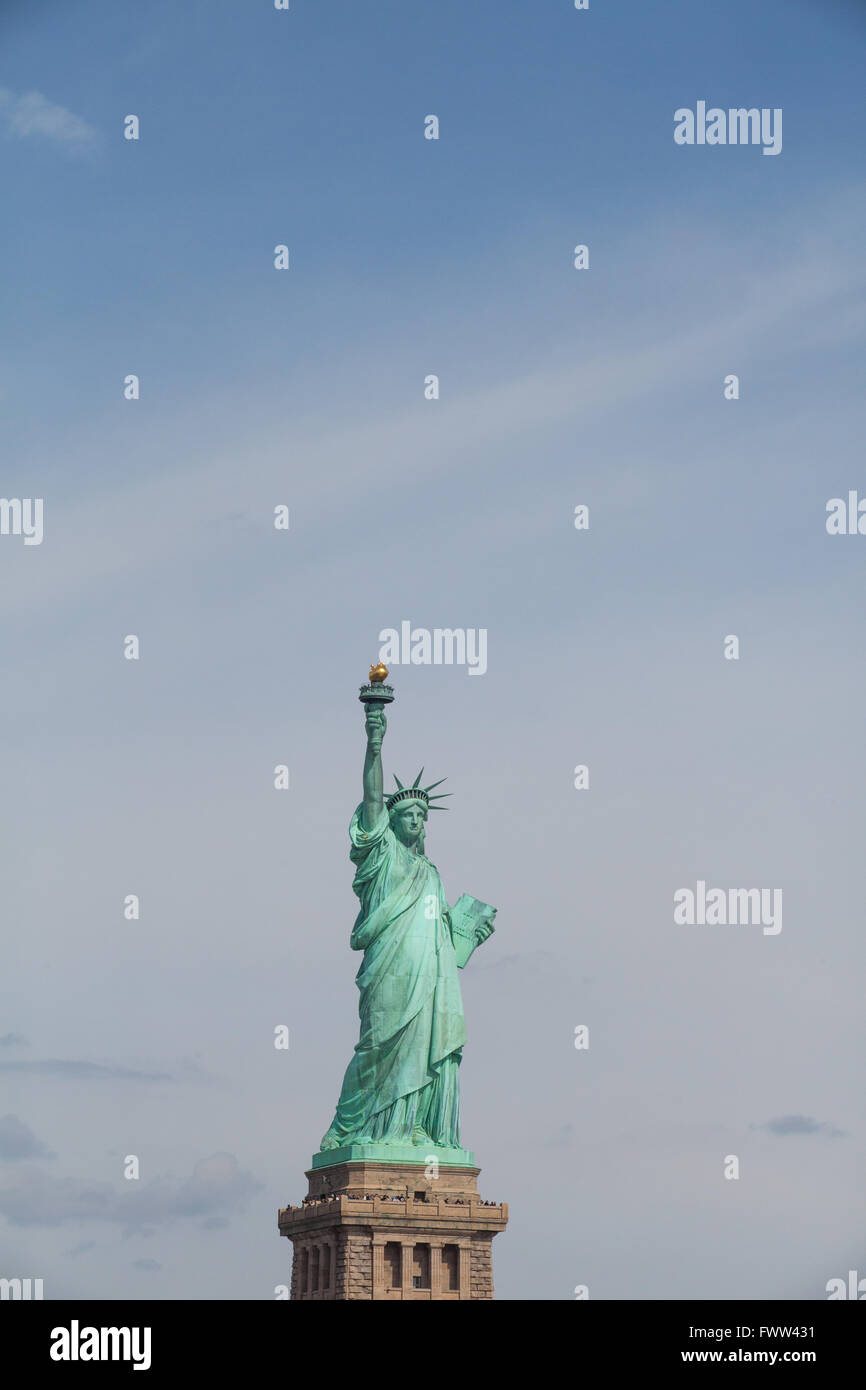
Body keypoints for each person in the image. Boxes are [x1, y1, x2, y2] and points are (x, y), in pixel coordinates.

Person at [319, 703, 494, 1152]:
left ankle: (412, 1125)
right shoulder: (383, 858)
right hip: (389, 970)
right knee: (377, 1046)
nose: (416, 821)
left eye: (421, 816)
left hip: (429, 977)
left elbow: (445, 947)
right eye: (407, 816)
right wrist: (374, 742)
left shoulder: (431, 873)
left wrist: (469, 935)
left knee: (423, 1043)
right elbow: (373, 799)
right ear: (391, 824)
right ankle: (353, 1127)